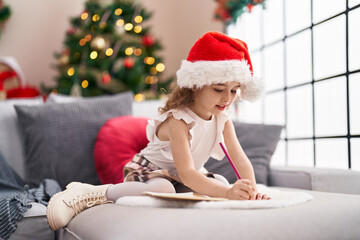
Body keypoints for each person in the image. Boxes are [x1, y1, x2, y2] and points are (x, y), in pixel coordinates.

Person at [46, 31, 270, 231]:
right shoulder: (179, 120)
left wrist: (252, 190)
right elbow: (187, 173)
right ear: (195, 84)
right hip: (152, 171)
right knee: (166, 187)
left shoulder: (223, 118)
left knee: (219, 182)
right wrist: (229, 194)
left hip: (181, 176)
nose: (227, 98)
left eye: (234, 90)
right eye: (219, 89)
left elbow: (240, 159)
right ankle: (92, 193)